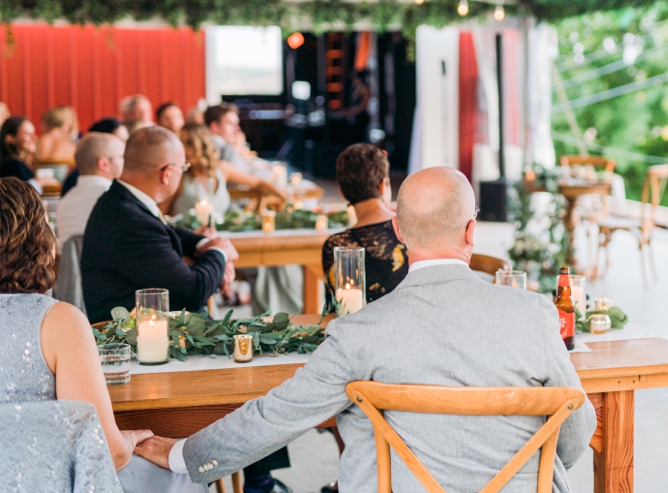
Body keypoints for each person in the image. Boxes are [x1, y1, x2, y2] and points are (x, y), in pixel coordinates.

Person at [133, 168, 597, 493]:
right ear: (471, 231)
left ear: (398, 230)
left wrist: (179, 454)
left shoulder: (359, 333)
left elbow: (274, 418)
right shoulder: (533, 314)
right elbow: (576, 430)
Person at [0, 176, 174, 488]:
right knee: (177, 472)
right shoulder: (58, 322)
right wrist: (131, 437)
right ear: (39, 238)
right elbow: (107, 452)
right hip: (49, 482)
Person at [79, 125, 238, 323]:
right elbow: (194, 291)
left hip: (161, 329)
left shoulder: (119, 201)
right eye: (183, 168)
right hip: (149, 340)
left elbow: (169, 232)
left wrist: (205, 243)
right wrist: (220, 252)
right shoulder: (131, 221)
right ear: (167, 174)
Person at [320, 143, 407, 304]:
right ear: (383, 185)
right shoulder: (410, 229)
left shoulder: (337, 245)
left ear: (342, 192)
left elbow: (336, 309)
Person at [204, 104, 288, 205]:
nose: (237, 129)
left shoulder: (207, 147)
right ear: (215, 127)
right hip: (238, 207)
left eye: (237, 124)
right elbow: (254, 179)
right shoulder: (226, 150)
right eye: (230, 124)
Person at [56, 131, 126, 248]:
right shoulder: (116, 198)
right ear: (104, 164)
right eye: (123, 157)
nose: (126, 162)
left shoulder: (64, 202)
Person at [170, 124, 231, 223]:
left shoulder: (222, 169)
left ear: (202, 143)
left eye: (189, 143)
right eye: (181, 144)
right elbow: (161, 215)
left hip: (224, 233)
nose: (184, 150)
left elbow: (258, 182)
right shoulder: (178, 178)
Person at [0, 113, 38, 181]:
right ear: (11, 138)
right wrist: (40, 183)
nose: (34, 138)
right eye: (28, 134)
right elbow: (20, 190)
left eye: (34, 133)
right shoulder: (12, 165)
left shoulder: (18, 163)